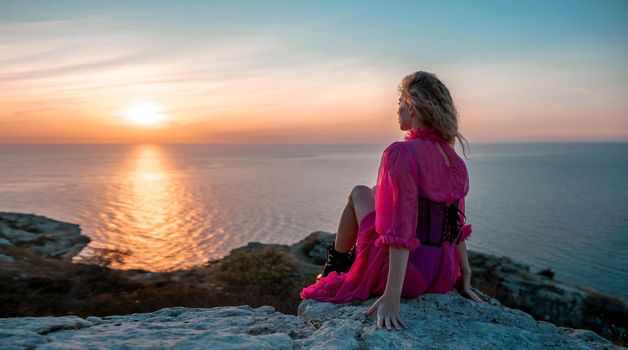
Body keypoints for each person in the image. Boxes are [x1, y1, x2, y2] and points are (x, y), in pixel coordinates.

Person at [300, 71, 484, 331]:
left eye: (399, 102)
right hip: (443, 273)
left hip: (409, 277)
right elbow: (457, 225)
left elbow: (400, 230)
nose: (397, 110)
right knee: (377, 190)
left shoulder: (401, 153)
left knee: (359, 191)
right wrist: (465, 275)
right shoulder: (454, 161)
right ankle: (339, 264)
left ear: (412, 104)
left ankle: (336, 266)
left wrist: (392, 297)